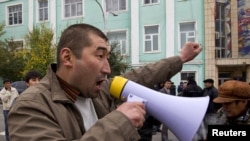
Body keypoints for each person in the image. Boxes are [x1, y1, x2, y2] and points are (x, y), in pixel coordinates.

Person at [8, 23, 202, 141]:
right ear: (67, 58)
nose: (107, 68)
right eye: (100, 55)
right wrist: (120, 122)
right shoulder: (31, 106)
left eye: (107, 57)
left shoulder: (100, 89)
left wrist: (181, 58)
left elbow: (142, 75)